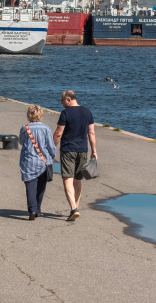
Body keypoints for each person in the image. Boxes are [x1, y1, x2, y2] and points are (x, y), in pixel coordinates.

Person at [53, 90, 97, 221]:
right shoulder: (87, 112)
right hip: (83, 150)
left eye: (62, 100)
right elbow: (91, 133)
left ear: (68, 100)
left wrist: (51, 148)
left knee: (68, 179)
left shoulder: (65, 113)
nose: (61, 103)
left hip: (68, 150)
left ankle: (73, 208)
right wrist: (94, 151)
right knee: (78, 180)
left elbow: (58, 134)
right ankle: (76, 206)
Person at [19, 105, 56, 220]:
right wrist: (52, 156)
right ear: (40, 114)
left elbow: (21, 141)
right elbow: (51, 146)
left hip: (29, 161)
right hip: (43, 162)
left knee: (30, 186)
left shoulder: (25, 128)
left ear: (29, 115)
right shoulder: (46, 128)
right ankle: (38, 208)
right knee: (41, 186)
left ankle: (32, 209)